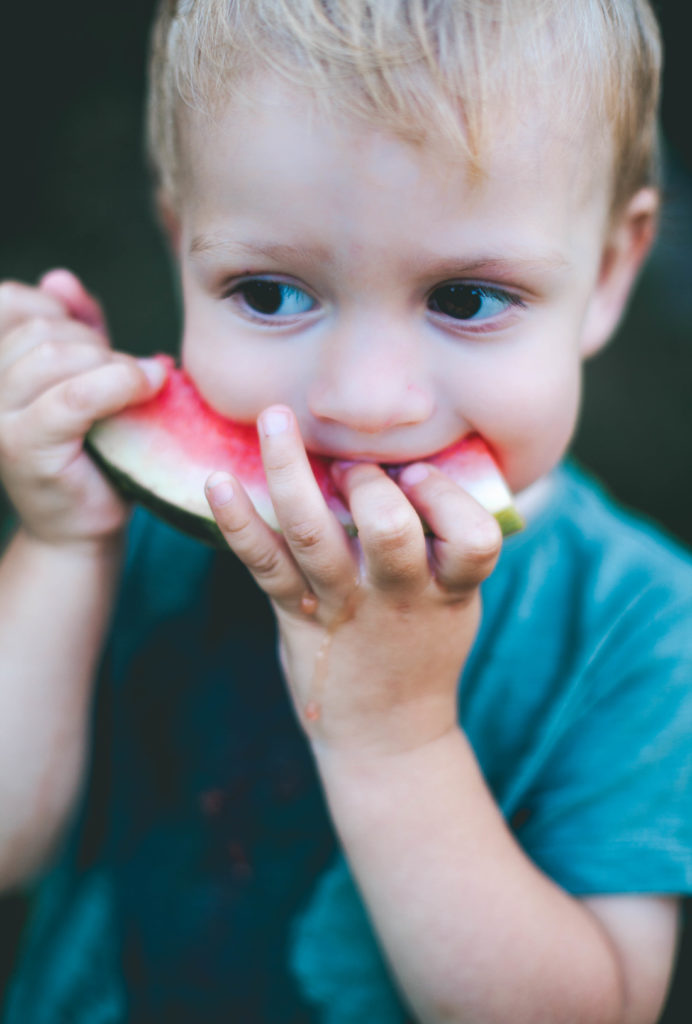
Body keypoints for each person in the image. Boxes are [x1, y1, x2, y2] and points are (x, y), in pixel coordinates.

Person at [0, 1, 691, 1021]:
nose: (365, 399)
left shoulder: (644, 631)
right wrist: (62, 543)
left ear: (606, 270)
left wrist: (393, 734)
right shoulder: (135, 529)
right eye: (271, 292)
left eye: (463, 298)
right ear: (179, 242)